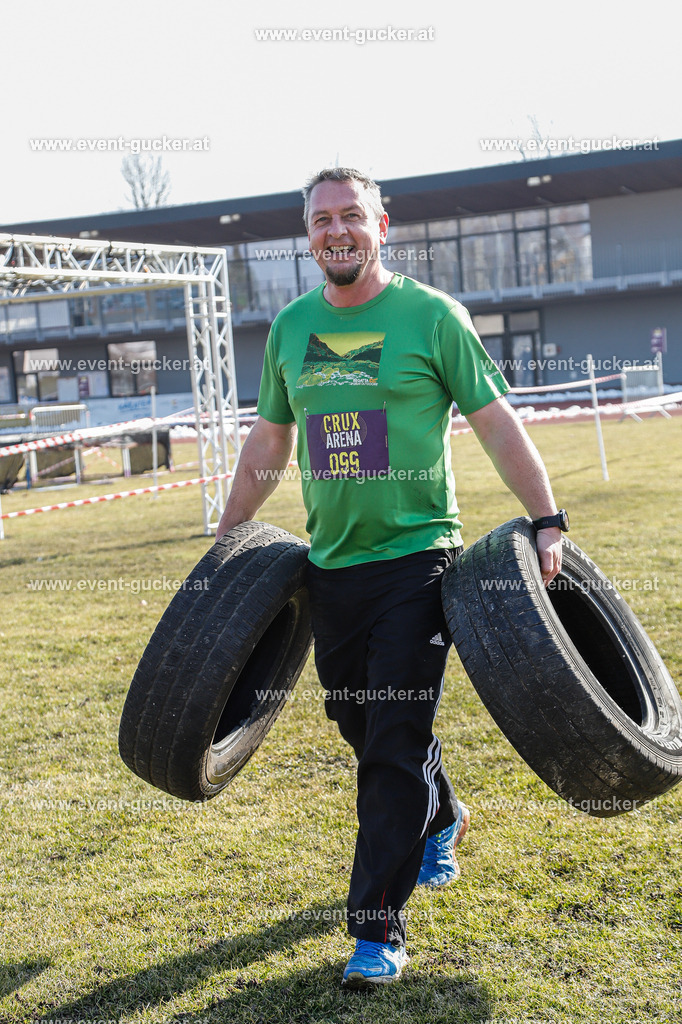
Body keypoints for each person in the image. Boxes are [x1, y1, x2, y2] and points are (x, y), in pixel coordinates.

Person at [216, 167, 565, 989]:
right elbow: (269, 444)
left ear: (381, 224)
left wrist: (546, 517)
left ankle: (376, 932)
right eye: (320, 220)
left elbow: (495, 424)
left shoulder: (432, 318)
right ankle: (442, 813)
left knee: (390, 749)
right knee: (360, 724)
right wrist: (228, 540)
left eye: (350, 216)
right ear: (308, 235)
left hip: (418, 561)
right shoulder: (291, 328)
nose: (336, 230)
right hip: (328, 568)